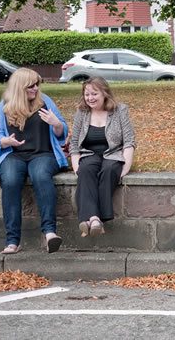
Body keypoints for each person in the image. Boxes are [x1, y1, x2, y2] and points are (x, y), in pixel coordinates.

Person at [0, 68, 68, 254]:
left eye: (37, 84)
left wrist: (56, 123)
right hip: (14, 155)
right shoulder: (5, 106)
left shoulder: (45, 101)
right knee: (10, 180)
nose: (35, 88)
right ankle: (12, 241)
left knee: (40, 175)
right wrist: (5, 141)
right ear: (19, 87)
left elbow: (62, 131)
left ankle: (50, 234)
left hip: (43, 154)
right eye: (31, 85)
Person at [70, 77, 135, 237]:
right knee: (85, 171)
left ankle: (91, 220)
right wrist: (76, 166)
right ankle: (95, 219)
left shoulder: (120, 110)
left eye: (94, 94)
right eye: (87, 94)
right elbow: (74, 143)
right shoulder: (82, 112)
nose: (90, 98)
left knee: (109, 170)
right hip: (89, 153)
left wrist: (126, 166)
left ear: (104, 93)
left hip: (113, 153)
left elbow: (129, 140)